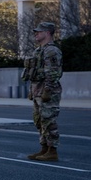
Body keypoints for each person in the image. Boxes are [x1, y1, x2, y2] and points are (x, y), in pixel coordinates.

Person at [27, 22, 63, 162]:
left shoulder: (52, 51)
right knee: (39, 121)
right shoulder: (38, 51)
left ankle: (52, 150)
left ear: (47, 33)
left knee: (49, 120)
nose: (36, 33)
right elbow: (33, 72)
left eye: (39, 31)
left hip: (48, 91)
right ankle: (44, 148)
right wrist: (32, 90)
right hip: (38, 91)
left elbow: (53, 73)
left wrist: (47, 90)